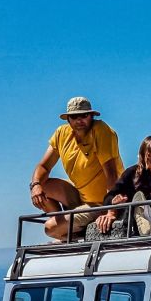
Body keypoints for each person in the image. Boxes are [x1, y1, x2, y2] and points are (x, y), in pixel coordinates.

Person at [30, 97, 123, 239]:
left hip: (100, 203)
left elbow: (111, 174)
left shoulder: (100, 130)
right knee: (43, 186)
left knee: (50, 229)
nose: (79, 120)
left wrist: (110, 211)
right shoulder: (61, 133)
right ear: (68, 119)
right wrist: (35, 185)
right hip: (80, 197)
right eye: (74, 116)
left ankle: (67, 232)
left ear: (91, 116)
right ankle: (68, 228)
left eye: (84, 115)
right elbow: (44, 166)